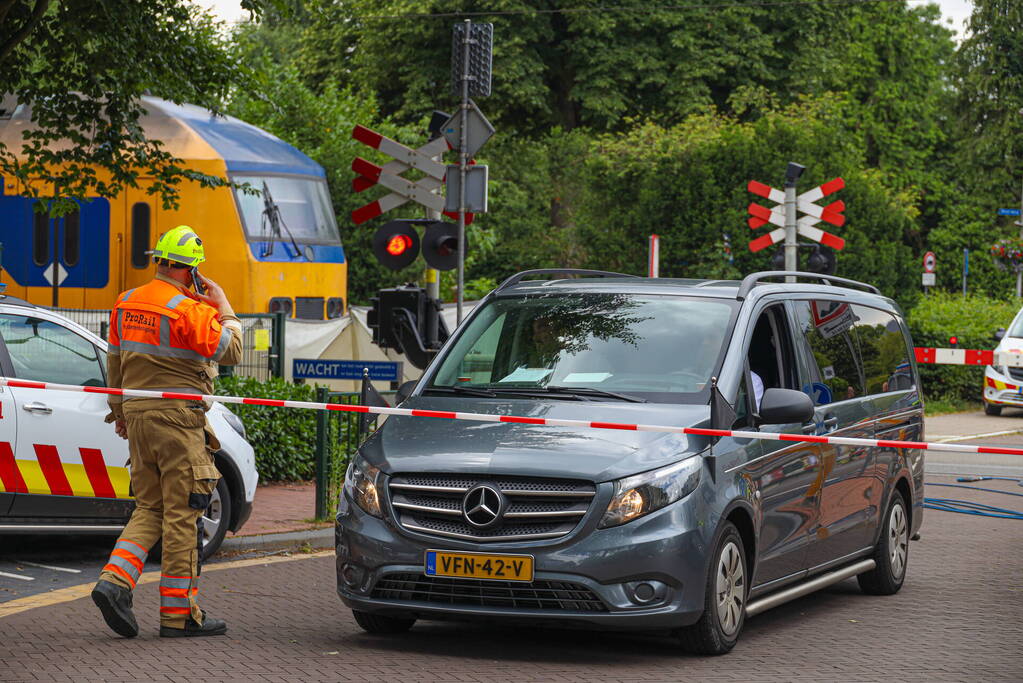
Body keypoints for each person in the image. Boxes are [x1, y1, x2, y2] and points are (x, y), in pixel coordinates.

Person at [91, 225, 242, 638]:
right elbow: (232, 349)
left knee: (150, 508)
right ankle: (179, 615)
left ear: (159, 261)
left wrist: (120, 411)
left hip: (137, 416)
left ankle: (114, 583)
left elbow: (115, 363)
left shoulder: (126, 303)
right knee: (182, 513)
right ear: (192, 271)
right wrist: (223, 304)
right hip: (178, 419)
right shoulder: (190, 310)